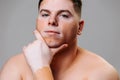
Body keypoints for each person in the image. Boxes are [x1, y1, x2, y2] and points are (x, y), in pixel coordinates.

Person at [0, 0, 119, 80]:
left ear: (80, 27)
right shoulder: (14, 66)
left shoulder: (102, 73)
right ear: (36, 22)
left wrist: (41, 68)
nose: (52, 21)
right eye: (45, 14)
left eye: (64, 15)